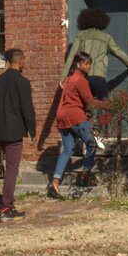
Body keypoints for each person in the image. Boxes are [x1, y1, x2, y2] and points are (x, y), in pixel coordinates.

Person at [0, 47, 37, 221]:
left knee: (9, 167)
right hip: (13, 131)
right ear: (20, 61)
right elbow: (27, 109)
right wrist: (32, 130)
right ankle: (6, 207)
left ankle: (8, 204)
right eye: (24, 61)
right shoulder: (22, 82)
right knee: (12, 169)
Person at [47, 52, 97, 200]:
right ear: (78, 64)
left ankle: (54, 183)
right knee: (91, 144)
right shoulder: (80, 80)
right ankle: (85, 175)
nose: (89, 66)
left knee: (67, 150)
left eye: (90, 63)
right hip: (75, 116)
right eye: (86, 63)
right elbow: (90, 101)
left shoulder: (68, 79)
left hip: (62, 116)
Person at [64, 7, 128, 100]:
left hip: (84, 77)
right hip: (98, 78)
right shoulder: (106, 37)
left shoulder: (81, 36)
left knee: (85, 105)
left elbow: (71, 57)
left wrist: (63, 79)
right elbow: (118, 52)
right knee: (105, 106)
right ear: (102, 22)